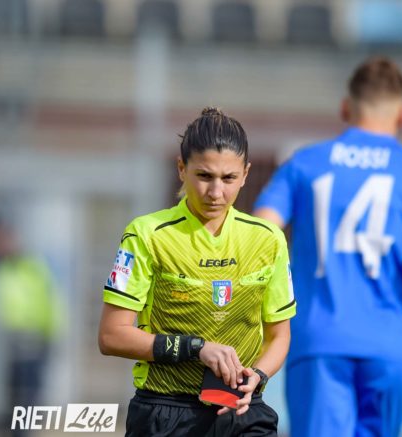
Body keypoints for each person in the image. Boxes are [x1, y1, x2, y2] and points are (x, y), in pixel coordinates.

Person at [253, 56, 402, 437]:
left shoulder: (304, 164)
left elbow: (260, 234)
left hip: (319, 341)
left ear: (345, 108)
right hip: (393, 346)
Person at [98, 107, 296, 437]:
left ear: (245, 174)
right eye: (204, 176)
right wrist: (196, 347)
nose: (216, 193)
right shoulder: (147, 235)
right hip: (165, 412)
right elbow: (111, 336)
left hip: (243, 410)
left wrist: (259, 376)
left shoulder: (268, 239)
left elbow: (279, 335)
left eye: (228, 178)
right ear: (181, 168)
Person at [0, 217, 63, 437]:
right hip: (3, 344)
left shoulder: (32, 266)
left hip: (31, 343)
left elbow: (52, 302)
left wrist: (52, 336)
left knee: (27, 398)